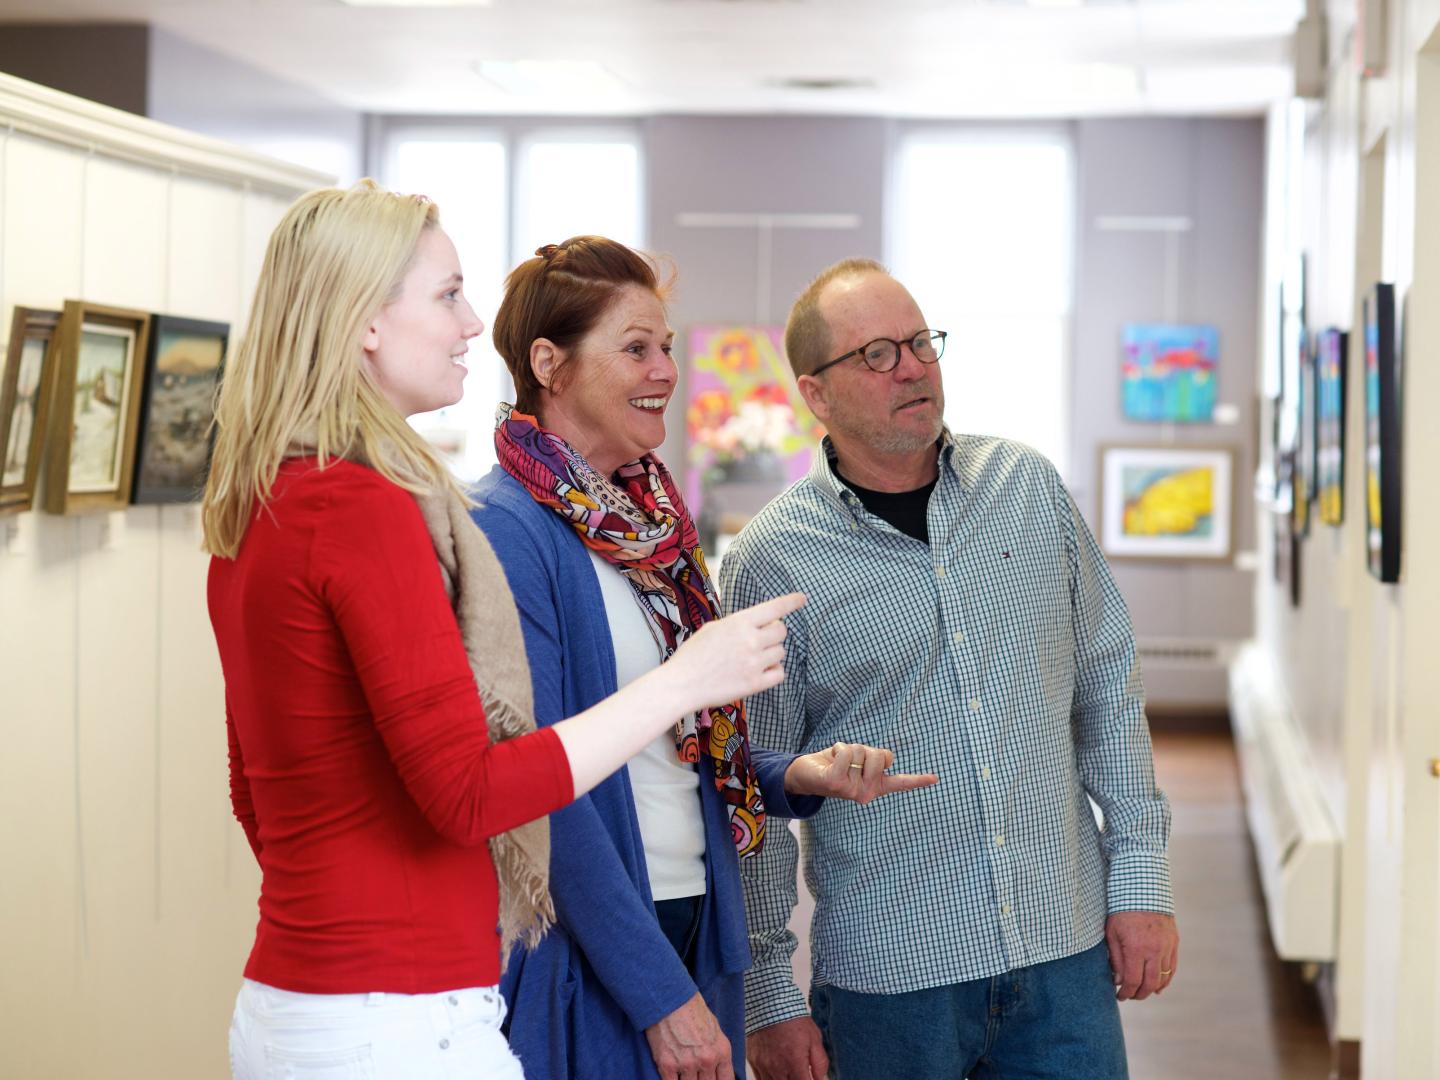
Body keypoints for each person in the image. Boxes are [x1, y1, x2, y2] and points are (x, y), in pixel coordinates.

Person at [203, 184, 803, 1080]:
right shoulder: (368, 507)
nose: (469, 322)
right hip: (395, 1016)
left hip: (309, 997)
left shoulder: (263, 497)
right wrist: (685, 682)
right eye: (446, 294)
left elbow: (254, 790)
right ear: (367, 319)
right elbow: (471, 794)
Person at [470, 236, 937, 1080]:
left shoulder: (647, 526)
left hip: (694, 917)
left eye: (668, 349)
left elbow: (676, 748)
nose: (665, 371)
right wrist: (660, 997)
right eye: (637, 349)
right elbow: (538, 793)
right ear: (550, 364)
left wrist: (801, 775)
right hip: (603, 945)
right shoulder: (508, 529)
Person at [720, 258, 1179, 1080]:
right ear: (816, 395)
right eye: (876, 354)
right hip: (890, 989)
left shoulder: (1028, 489)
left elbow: (1109, 685)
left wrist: (1139, 878)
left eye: (920, 342)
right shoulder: (769, 561)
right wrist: (768, 996)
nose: (914, 367)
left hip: (1063, 955)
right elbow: (750, 791)